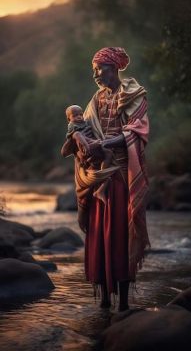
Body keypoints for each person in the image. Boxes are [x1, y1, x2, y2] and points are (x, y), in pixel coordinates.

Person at [62, 47, 150, 311]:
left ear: (114, 68)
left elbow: (137, 132)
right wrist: (79, 138)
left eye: (99, 69)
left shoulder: (134, 95)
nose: (96, 74)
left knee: (121, 236)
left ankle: (122, 303)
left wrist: (104, 144)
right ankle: (102, 301)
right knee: (100, 235)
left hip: (122, 176)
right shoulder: (96, 99)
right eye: (94, 70)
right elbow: (79, 128)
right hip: (100, 177)